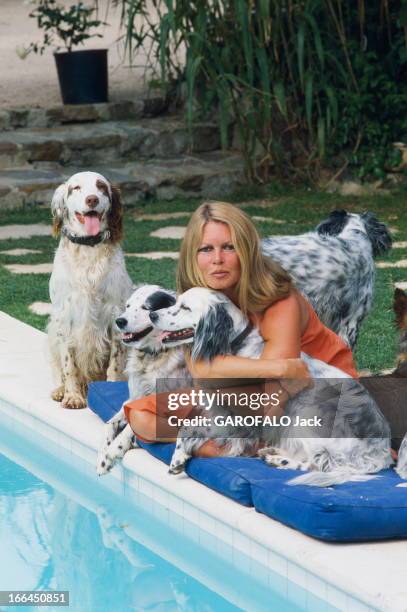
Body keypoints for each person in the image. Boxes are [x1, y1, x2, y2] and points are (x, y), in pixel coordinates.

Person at [125, 201, 358, 454]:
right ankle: (244, 447)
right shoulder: (199, 298)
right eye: (205, 249)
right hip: (240, 393)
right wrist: (278, 366)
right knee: (142, 417)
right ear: (193, 256)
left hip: (318, 400)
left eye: (229, 247)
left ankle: (248, 444)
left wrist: (215, 376)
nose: (217, 260)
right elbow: (201, 369)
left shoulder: (280, 301)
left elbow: (272, 402)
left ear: (247, 250)